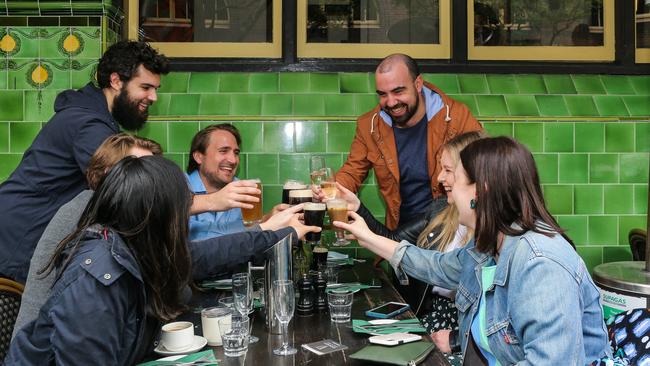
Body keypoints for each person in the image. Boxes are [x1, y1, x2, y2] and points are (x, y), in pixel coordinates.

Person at [6, 156, 319, 365]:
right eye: (182, 208)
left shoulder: (135, 247)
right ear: (158, 214)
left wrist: (274, 233)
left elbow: (209, 254)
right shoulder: (98, 278)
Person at [335, 136, 611, 364]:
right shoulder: (490, 246)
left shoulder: (540, 263)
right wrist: (366, 235)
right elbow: (436, 266)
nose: (449, 195)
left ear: (480, 192)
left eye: (455, 185)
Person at [0, 41, 169, 284]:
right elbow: (131, 191)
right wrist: (208, 201)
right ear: (116, 81)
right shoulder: (88, 125)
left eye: (155, 88)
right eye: (145, 87)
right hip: (18, 242)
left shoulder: (96, 119)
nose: (153, 96)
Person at [11, 133, 162, 336]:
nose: (149, 179)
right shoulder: (83, 206)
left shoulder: (134, 217)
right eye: (136, 168)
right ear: (110, 172)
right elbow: (40, 286)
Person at [333, 53, 483, 231]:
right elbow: (352, 171)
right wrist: (330, 190)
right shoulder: (370, 126)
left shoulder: (456, 117)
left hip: (452, 231)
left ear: (418, 84)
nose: (390, 102)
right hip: (401, 236)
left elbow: (483, 167)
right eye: (382, 94)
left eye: (398, 91)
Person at [186, 123, 265, 240]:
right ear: (199, 157)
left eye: (236, 153)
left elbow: (249, 235)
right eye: (223, 151)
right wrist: (213, 200)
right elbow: (196, 242)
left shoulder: (241, 189)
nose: (233, 160)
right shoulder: (176, 185)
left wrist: (267, 220)